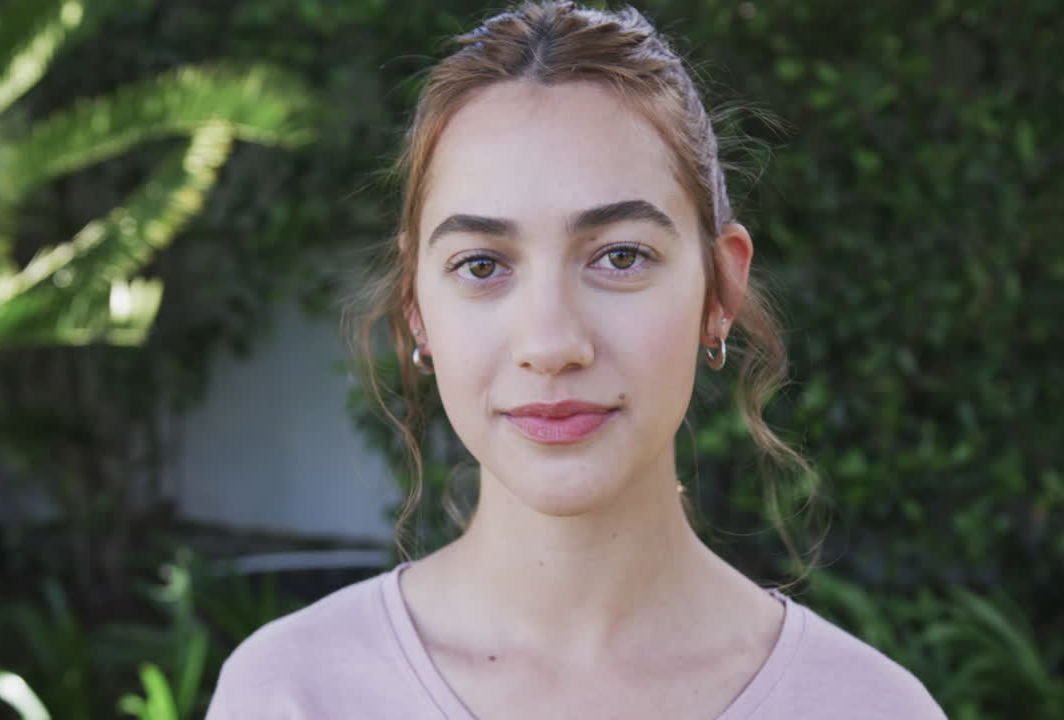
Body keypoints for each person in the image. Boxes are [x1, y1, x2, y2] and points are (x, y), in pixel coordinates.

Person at [205, 2, 946, 718]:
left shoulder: (869, 707)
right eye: (482, 265)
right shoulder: (292, 694)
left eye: (620, 257)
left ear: (720, 288)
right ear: (416, 307)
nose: (552, 344)